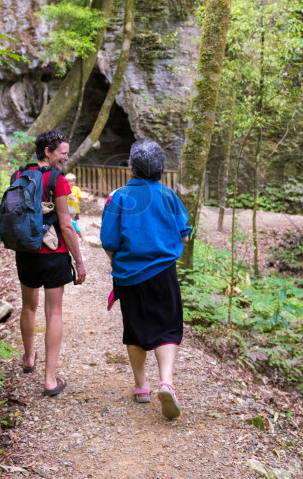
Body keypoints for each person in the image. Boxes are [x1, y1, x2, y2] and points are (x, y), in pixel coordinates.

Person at [100, 140, 191, 419]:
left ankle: (141, 387)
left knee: (135, 327)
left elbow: (109, 241)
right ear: (160, 168)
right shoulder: (168, 195)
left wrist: (117, 262)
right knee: (167, 327)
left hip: (128, 276)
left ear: (131, 167)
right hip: (164, 272)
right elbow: (184, 234)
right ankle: (166, 382)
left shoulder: (119, 197)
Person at [14, 130, 87, 396]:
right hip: (53, 254)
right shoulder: (57, 180)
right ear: (48, 151)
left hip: (25, 252)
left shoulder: (19, 175)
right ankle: (50, 379)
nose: (65, 158)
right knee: (54, 312)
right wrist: (79, 262)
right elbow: (66, 226)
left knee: (28, 306)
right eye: (63, 153)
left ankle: (29, 358)